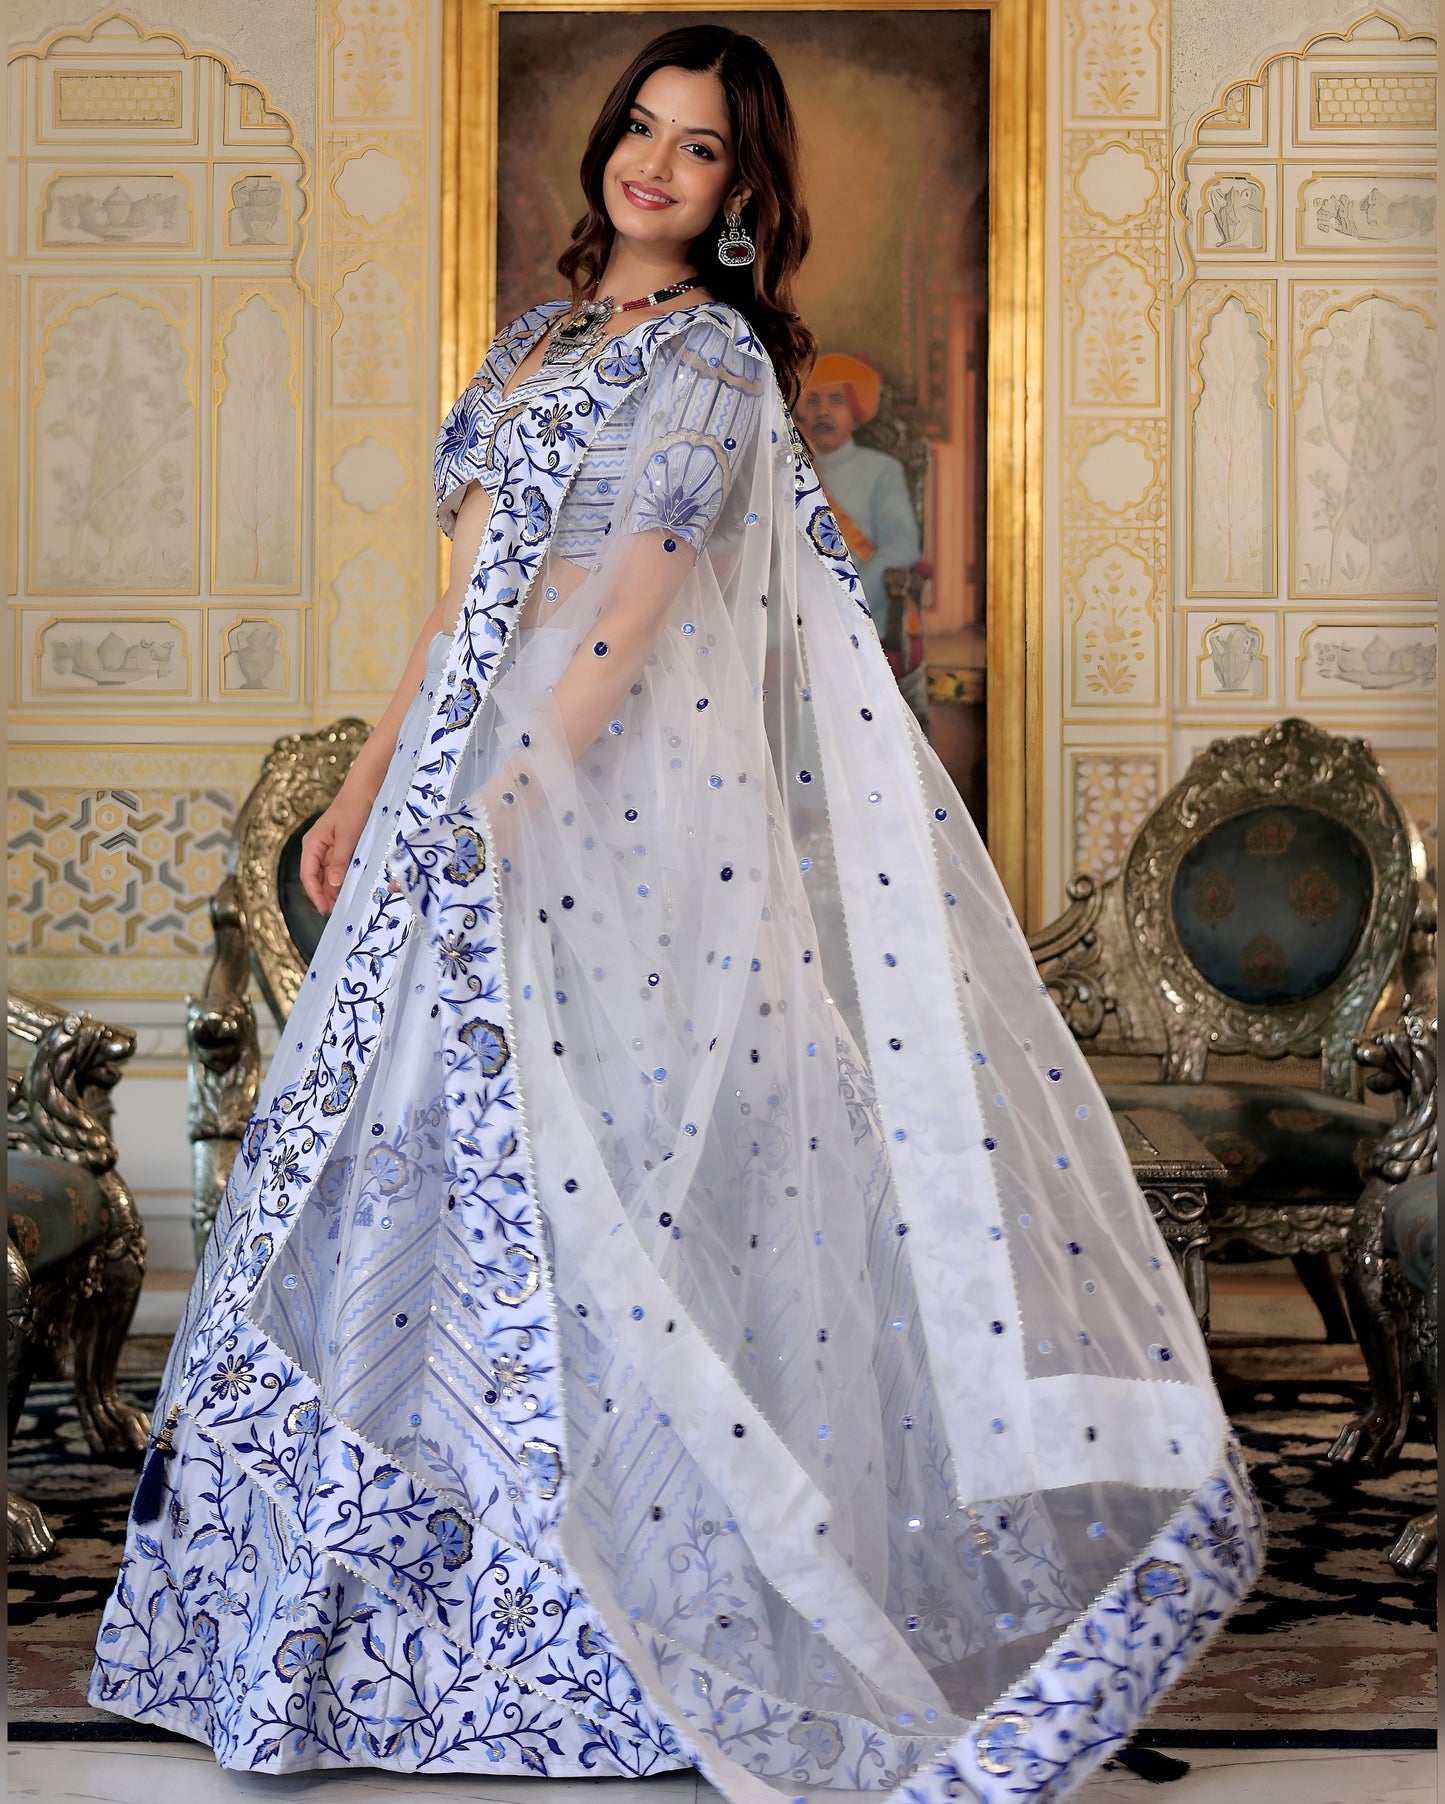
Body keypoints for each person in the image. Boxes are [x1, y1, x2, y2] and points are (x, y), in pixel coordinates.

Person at [92, 24, 1261, 1798]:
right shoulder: (540, 343)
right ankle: (339, 1628)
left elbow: (625, 623)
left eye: (695, 147)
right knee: (387, 1163)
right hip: (447, 799)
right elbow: (463, 600)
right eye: (637, 129)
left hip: (582, 821)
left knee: (589, 1180)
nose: (650, 162)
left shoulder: (711, 361)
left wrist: (511, 804)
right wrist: (364, 789)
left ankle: (600, 1629)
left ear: (739, 191)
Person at [799, 352, 921, 635]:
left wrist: (856, 589)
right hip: (791, 602)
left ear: (856, 412)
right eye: (813, 400)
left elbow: (903, 544)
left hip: (856, 608)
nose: (823, 411)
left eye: (836, 400)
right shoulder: (789, 469)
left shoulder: (881, 470)